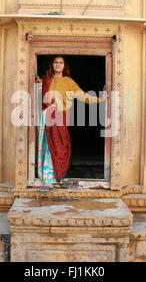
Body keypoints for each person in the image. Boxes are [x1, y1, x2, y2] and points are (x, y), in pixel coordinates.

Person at [35, 55, 106, 194]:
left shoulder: (68, 82)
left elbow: (84, 96)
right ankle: (47, 180)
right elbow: (40, 91)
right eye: (55, 62)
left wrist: (100, 99)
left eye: (61, 62)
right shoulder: (47, 80)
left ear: (64, 66)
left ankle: (53, 178)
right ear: (52, 65)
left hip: (60, 118)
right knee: (47, 146)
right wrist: (40, 83)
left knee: (58, 146)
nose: (58, 65)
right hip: (46, 118)